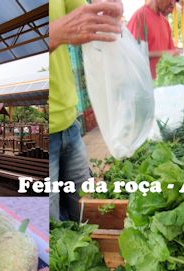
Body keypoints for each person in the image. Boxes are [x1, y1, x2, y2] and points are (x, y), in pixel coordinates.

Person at [51, 0, 123, 221]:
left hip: (70, 125)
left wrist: (108, 13)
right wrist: (54, 33)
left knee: (83, 206)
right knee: (52, 221)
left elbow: (88, 21)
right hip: (48, 136)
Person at [126, 0, 176, 79]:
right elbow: (132, 55)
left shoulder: (165, 22)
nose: (173, 4)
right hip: (145, 84)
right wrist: (164, 53)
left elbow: (173, 53)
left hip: (163, 84)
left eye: (176, 1)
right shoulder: (140, 16)